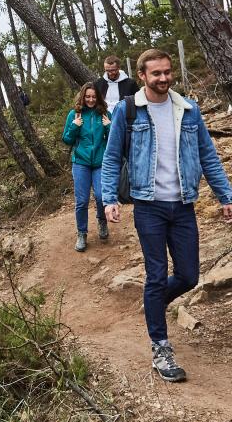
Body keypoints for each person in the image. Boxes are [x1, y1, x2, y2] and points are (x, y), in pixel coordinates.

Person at [102, 48, 232, 383]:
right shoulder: (128, 111)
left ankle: (154, 306)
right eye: (155, 73)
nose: (163, 78)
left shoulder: (188, 110)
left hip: (184, 205)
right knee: (157, 275)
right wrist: (108, 198)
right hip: (149, 206)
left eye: (167, 72)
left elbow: (207, 155)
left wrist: (225, 195)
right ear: (142, 76)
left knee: (189, 276)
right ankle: (161, 347)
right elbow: (113, 157)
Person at [62, 82, 112, 253]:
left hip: (100, 162)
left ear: (98, 97)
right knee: (82, 201)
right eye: (87, 97)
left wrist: (109, 127)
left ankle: (102, 221)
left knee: (100, 196)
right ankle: (82, 233)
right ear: (83, 97)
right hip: (81, 163)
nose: (90, 100)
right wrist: (74, 127)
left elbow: (114, 140)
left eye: (94, 97)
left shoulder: (104, 114)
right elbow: (67, 140)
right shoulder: (74, 114)